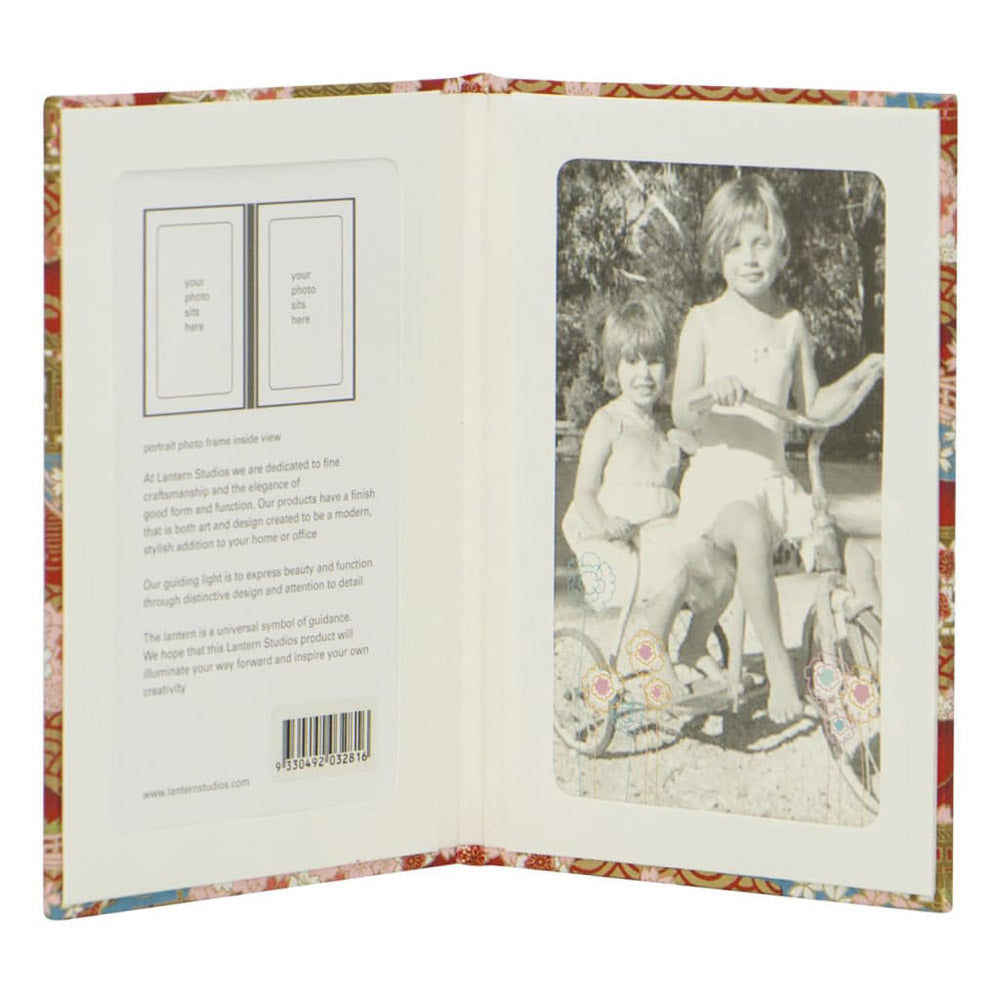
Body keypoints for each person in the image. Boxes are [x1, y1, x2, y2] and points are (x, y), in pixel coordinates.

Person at [671, 173, 883, 723]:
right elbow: (680, 411)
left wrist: (863, 372)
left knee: (855, 553)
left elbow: (813, 408)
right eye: (735, 244)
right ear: (717, 252)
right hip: (719, 486)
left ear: (782, 250)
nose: (749, 257)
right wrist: (708, 394)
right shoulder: (703, 322)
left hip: (772, 483)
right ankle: (780, 671)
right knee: (749, 528)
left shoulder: (791, 325)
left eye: (761, 242)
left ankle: (878, 655)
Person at [562, 300, 734, 702]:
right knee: (674, 567)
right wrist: (605, 523)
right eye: (632, 362)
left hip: (656, 540)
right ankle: (653, 649)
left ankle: (693, 646)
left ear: (668, 368)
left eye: (654, 362)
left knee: (724, 571)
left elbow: (672, 500)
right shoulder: (609, 423)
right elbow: (584, 493)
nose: (644, 374)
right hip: (613, 544)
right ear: (614, 368)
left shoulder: (664, 434)